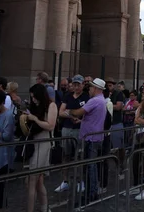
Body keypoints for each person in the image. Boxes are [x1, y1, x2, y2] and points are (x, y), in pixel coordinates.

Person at [66, 78, 107, 203]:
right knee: (91, 166)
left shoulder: (94, 100)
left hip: (90, 138)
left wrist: (68, 111)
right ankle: (92, 191)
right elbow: (91, 118)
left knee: (90, 167)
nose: (88, 89)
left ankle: (91, 193)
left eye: (90, 87)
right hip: (95, 136)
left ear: (96, 88)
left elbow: (79, 112)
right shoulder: (101, 100)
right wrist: (82, 121)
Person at [24, 84, 58, 212]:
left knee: (32, 180)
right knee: (37, 181)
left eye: (34, 97)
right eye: (31, 97)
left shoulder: (51, 105)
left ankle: (32, 209)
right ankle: (44, 207)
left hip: (44, 143)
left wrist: (35, 119)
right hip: (35, 142)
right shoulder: (37, 106)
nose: (33, 100)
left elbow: (50, 125)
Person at [55, 75, 88, 193]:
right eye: (74, 84)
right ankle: (65, 181)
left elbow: (86, 113)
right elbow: (61, 112)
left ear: (83, 85)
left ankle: (80, 181)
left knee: (79, 155)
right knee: (66, 155)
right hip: (67, 128)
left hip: (79, 129)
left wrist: (70, 112)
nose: (76, 86)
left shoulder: (86, 96)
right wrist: (72, 114)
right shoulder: (67, 96)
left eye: (78, 84)